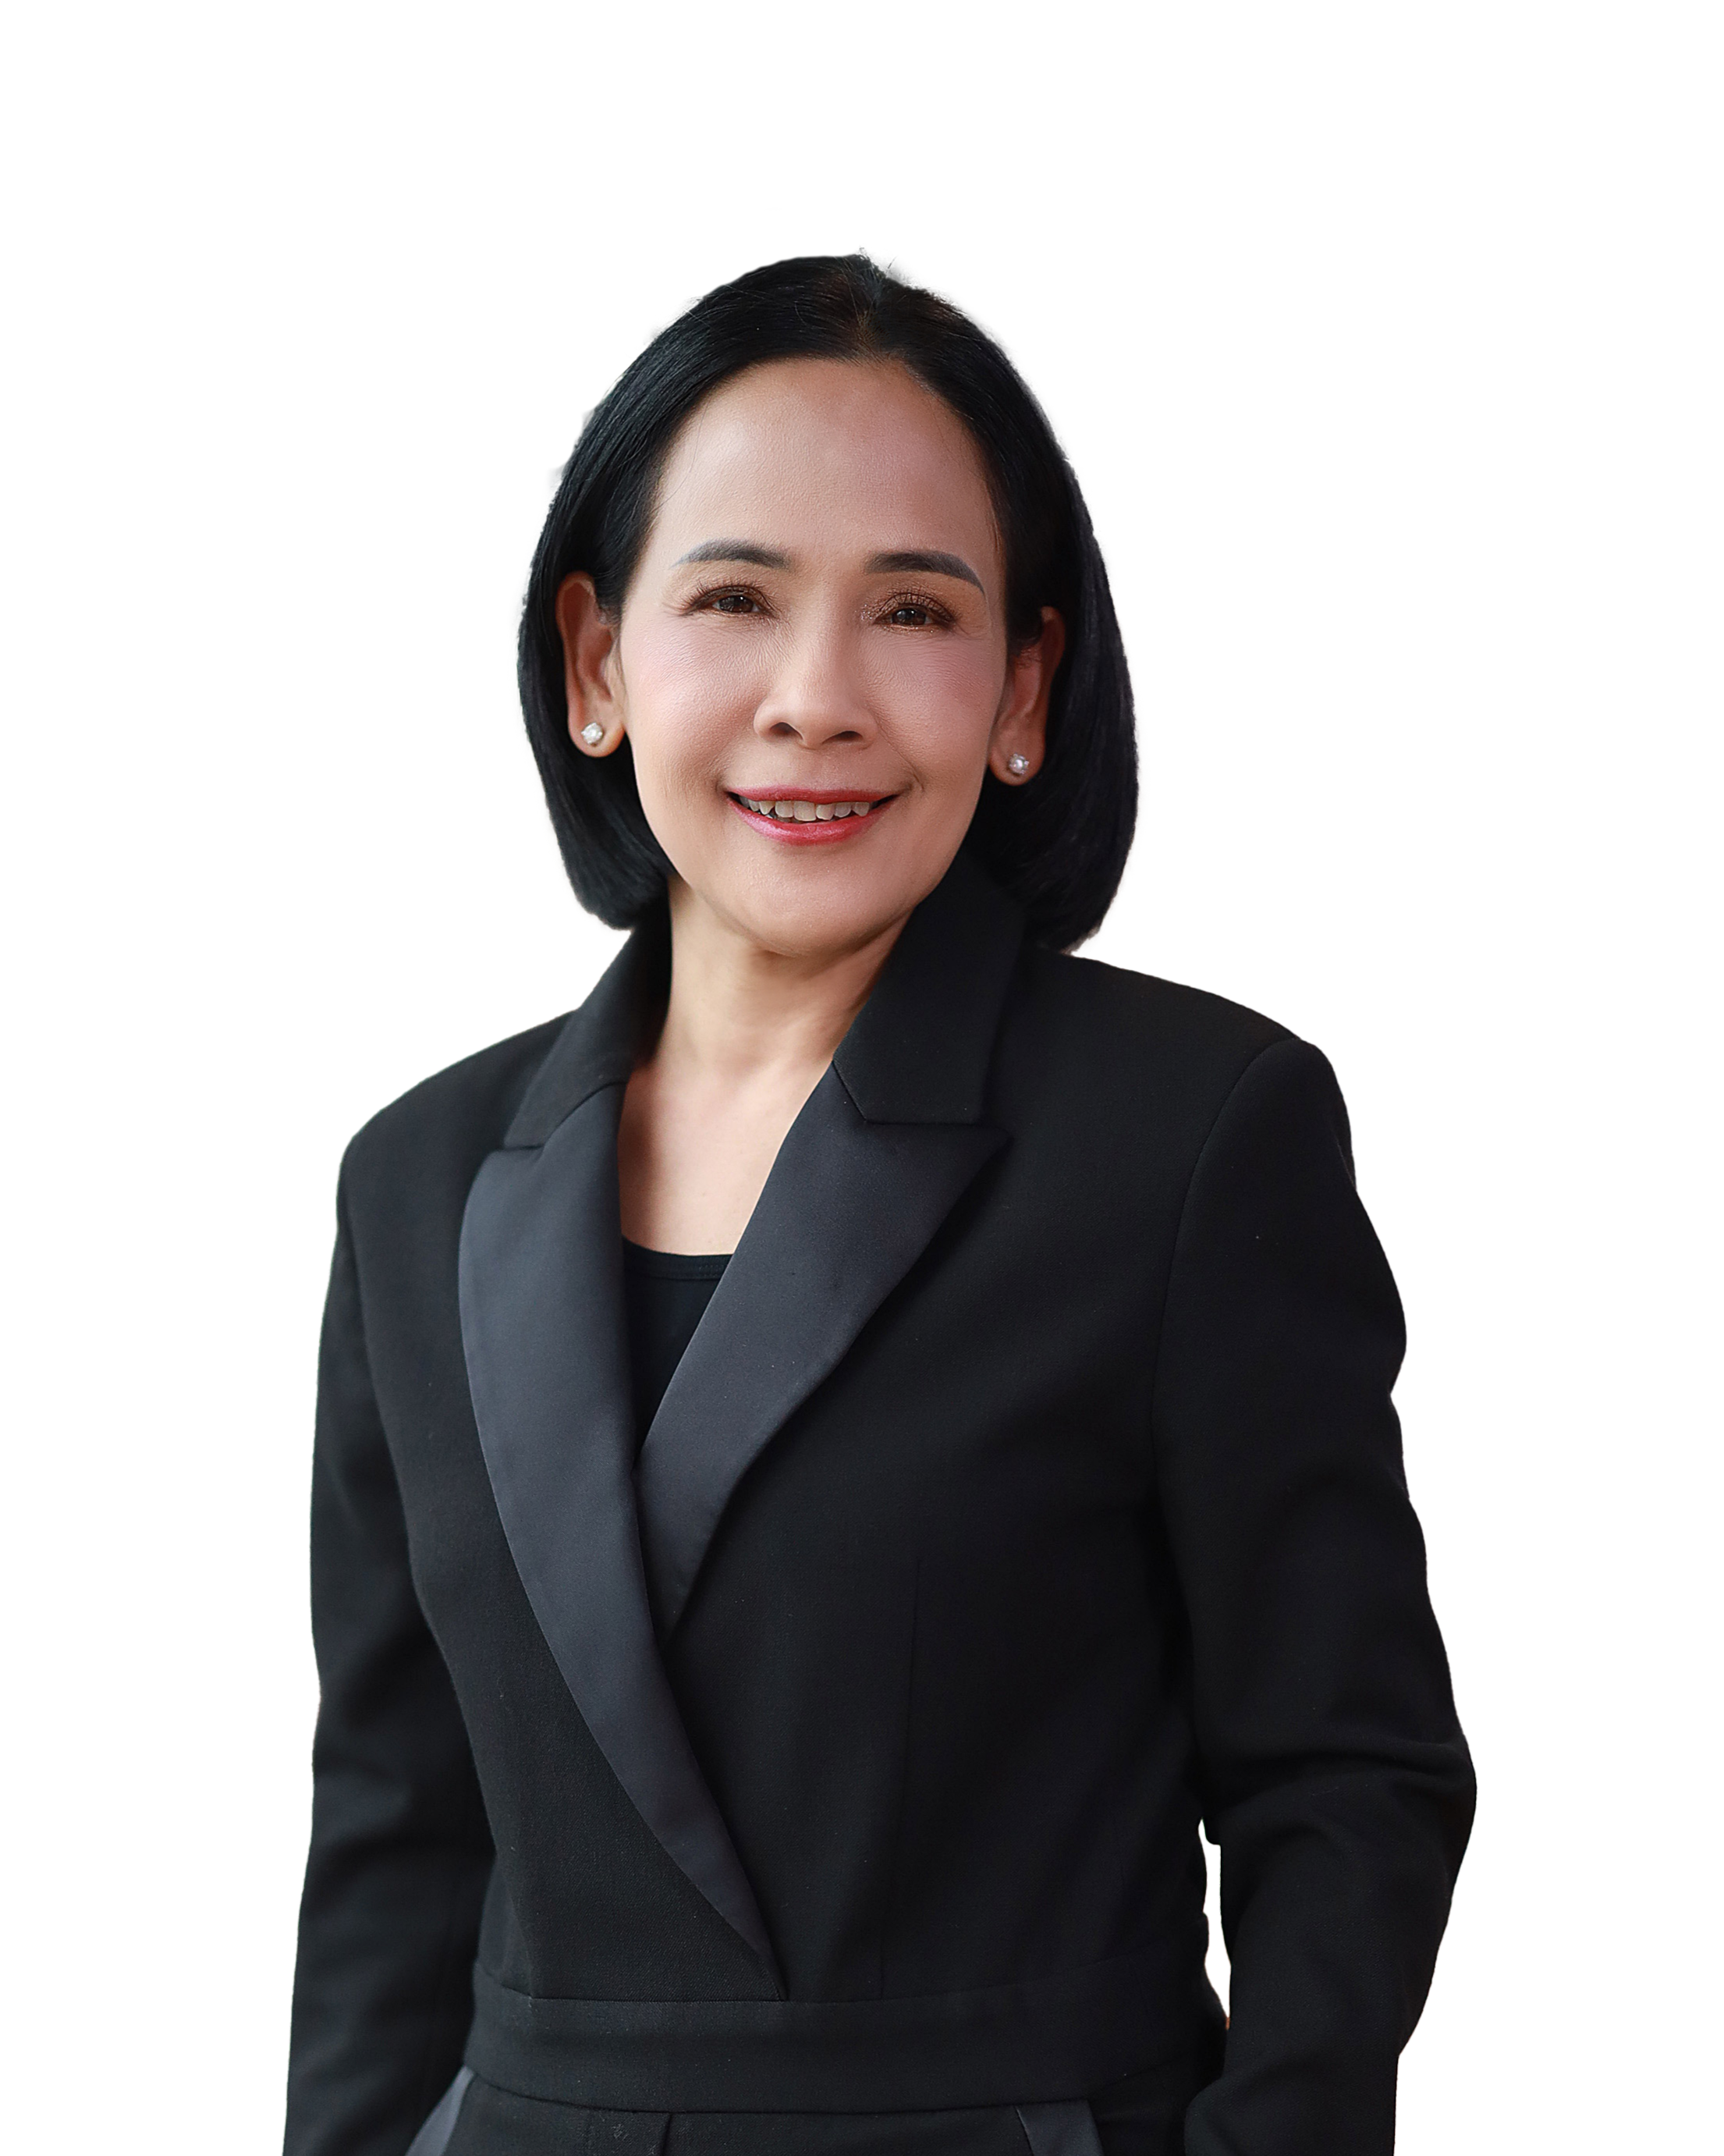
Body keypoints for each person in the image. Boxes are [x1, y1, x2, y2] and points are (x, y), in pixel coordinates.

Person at [283, 250, 1476, 2156]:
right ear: (593, 664)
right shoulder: (413, 1176)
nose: (816, 700)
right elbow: (392, 1829)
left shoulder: (1197, 1130)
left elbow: (1346, 1778)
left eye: (913, 609)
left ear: (1025, 688)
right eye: (734, 597)